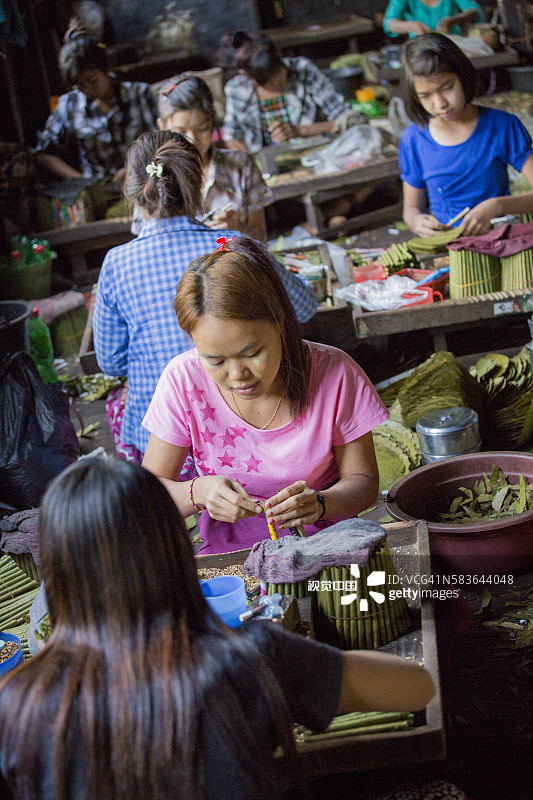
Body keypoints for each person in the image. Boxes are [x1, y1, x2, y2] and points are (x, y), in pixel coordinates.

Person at [0, 458, 435, 800]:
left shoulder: (18, 702)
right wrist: (306, 667)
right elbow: (416, 687)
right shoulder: (248, 658)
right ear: (176, 550)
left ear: (56, 573)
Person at [142, 235, 389, 554]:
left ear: (280, 324)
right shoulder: (182, 380)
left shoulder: (335, 374)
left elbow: (364, 482)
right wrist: (198, 492)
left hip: (327, 544)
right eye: (214, 360)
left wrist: (321, 504)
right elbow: (148, 496)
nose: (236, 375)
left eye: (252, 353)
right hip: (230, 553)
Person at [93, 130, 317, 462]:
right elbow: (305, 308)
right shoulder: (234, 246)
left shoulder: (116, 263)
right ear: (198, 187)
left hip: (158, 440)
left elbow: (110, 363)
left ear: (136, 197)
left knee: (119, 402)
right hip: (236, 434)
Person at [398, 33, 533, 237]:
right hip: (449, 247)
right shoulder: (413, 140)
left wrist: (497, 206)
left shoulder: (502, 126)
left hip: (500, 238)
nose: (440, 103)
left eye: (447, 87)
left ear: (462, 76)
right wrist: (417, 221)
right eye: (426, 96)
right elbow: (411, 209)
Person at [156, 74, 273, 241]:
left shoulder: (241, 166)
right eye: (180, 132)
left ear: (212, 123)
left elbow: (260, 238)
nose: (192, 140)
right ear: (162, 127)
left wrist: (238, 227)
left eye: (202, 128)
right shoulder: (154, 176)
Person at [35, 32, 158, 179]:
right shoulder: (69, 105)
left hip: (143, 181)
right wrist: (82, 181)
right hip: (97, 190)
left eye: (92, 81)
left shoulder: (140, 94)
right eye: (80, 85)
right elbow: (45, 154)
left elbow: (164, 143)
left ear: (106, 69)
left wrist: (137, 168)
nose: (87, 89)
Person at [222, 31, 364, 154]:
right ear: (246, 75)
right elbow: (231, 137)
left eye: (279, 72)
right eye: (266, 81)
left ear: (280, 54)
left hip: (318, 154)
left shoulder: (304, 70)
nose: (277, 82)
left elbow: (351, 120)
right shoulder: (236, 90)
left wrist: (299, 131)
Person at [383, 0, 482, 39]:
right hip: (420, 48)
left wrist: (451, 20)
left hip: (451, 45)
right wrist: (412, 26)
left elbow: (474, 11)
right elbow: (389, 23)